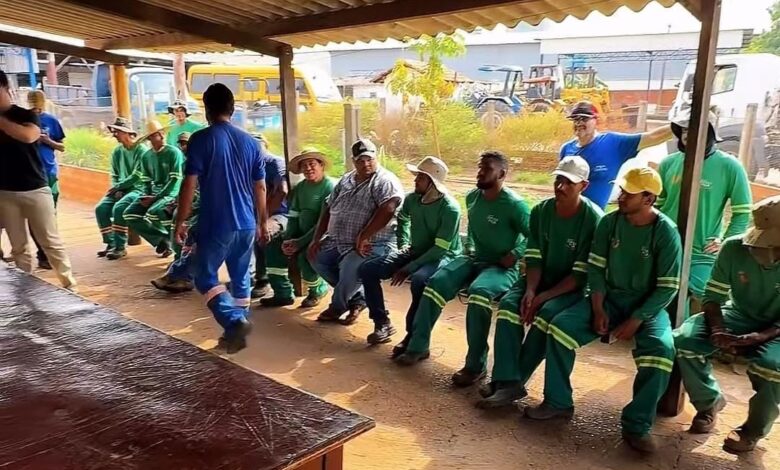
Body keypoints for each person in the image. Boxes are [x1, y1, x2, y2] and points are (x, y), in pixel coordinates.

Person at [524, 166, 681, 454]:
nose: (621, 197)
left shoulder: (665, 232)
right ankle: (558, 402)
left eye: (629, 193)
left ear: (648, 199)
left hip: (647, 305)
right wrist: (597, 308)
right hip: (608, 298)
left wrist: (636, 319)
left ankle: (637, 425)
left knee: (661, 350)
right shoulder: (610, 223)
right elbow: (595, 270)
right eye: (622, 190)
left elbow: (667, 287)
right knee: (560, 328)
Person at [396, 151, 531, 389]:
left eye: (486, 169)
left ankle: (475, 366)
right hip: (474, 258)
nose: (480, 173)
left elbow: (534, 237)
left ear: (502, 174)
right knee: (435, 283)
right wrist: (469, 249)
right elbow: (475, 232)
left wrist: (516, 253)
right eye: (479, 167)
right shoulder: (472, 197)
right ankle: (418, 345)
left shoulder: (515, 205)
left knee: (479, 293)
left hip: (501, 266)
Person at [477, 156, 603, 409]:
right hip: (538, 279)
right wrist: (531, 291)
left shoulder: (593, 219)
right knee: (509, 307)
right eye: (558, 180)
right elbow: (534, 258)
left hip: (571, 288)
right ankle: (505, 379)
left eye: (569, 182)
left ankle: (514, 381)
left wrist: (542, 298)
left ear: (584, 186)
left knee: (545, 316)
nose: (561, 187)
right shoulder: (541, 211)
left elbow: (580, 275)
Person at [674, 196, 780, 454]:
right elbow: (713, 296)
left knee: (772, 366)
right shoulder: (734, 248)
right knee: (685, 340)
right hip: (739, 314)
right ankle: (708, 403)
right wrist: (718, 329)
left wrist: (759, 337)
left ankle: (751, 431)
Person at [174, 83, 268, 354]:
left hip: (217, 222)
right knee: (240, 277)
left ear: (206, 109)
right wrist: (262, 222)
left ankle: (234, 321)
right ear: (232, 109)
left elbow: (189, 184)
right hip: (246, 223)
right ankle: (235, 331)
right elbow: (260, 187)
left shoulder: (201, 139)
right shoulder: (251, 143)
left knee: (204, 276)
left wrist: (180, 220)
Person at [359, 156, 462, 348]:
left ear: (432, 183)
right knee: (368, 269)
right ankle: (382, 323)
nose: (415, 180)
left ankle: (412, 336)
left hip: (441, 256)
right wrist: (403, 244)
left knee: (420, 280)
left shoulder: (450, 209)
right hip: (416, 250)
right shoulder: (413, 199)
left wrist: (409, 267)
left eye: (420, 177)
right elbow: (403, 218)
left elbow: (440, 248)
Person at [657, 110, 752, 314]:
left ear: (710, 134)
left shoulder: (730, 166)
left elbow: (742, 212)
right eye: (683, 130)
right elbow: (657, 206)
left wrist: (726, 242)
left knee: (708, 299)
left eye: (693, 130)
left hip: (701, 252)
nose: (686, 135)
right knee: (664, 295)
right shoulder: (668, 164)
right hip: (666, 246)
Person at [308, 139, 404, 325]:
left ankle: (337, 306)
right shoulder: (347, 179)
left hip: (373, 243)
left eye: (369, 159)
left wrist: (363, 236)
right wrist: (316, 238)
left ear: (376, 158)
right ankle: (357, 299)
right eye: (361, 160)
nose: (366, 164)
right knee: (316, 256)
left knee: (350, 267)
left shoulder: (384, 180)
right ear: (354, 161)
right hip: (339, 241)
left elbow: (389, 208)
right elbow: (328, 207)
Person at [0, 70, 76, 289]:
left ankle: (70, 285)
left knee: (50, 242)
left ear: (6, 89)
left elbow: (28, 136)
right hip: (5, 192)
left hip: (35, 189)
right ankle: (26, 290)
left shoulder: (26, 115)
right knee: (19, 248)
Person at [560, 101, 674, 208]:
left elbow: (653, 137)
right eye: (575, 119)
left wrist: (680, 126)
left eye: (584, 119)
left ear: (596, 121)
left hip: (595, 218)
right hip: (566, 214)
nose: (579, 123)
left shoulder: (613, 143)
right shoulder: (566, 149)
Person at [261, 147, 334, 308]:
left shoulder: (330, 187)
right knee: (273, 246)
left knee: (304, 256)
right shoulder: (301, 188)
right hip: (300, 234)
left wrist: (300, 242)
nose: (308, 168)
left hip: (322, 236)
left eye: (312, 164)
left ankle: (317, 290)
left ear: (321, 165)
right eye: (304, 165)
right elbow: (293, 216)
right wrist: (288, 239)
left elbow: (324, 223)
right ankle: (283, 293)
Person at [122, 120, 184, 259]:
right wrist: (146, 195)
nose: (161, 136)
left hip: (170, 193)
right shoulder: (146, 156)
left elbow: (175, 181)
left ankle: (176, 249)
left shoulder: (173, 152)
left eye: (161, 133)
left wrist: (155, 198)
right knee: (129, 214)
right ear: (149, 138)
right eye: (156, 135)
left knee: (154, 212)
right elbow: (146, 181)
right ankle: (162, 239)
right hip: (153, 194)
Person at [151, 131, 199, 293]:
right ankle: (179, 271)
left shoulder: (206, 164)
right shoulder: (188, 163)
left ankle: (181, 275)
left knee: (198, 236)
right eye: (182, 144)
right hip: (200, 205)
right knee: (186, 227)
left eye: (186, 143)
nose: (184, 147)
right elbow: (186, 189)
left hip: (214, 211)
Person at [95, 117, 148, 259]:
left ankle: (120, 247)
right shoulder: (117, 151)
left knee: (118, 208)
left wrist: (120, 187)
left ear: (126, 133)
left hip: (138, 189)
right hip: (119, 189)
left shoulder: (141, 150)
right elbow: (114, 174)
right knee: (101, 209)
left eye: (117, 132)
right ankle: (110, 243)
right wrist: (117, 188)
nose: (114, 135)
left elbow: (137, 175)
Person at [27, 90, 65, 270]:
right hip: (30, 174)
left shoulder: (51, 120)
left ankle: (49, 253)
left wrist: (48, 141)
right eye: (32, 102)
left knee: (50, 215)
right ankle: (42, 254)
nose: (36, 106)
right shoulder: (23, 121)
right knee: (35, 216)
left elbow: (62, 146)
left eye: (38, 102)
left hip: (49, 173)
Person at [251, 133, 289, 299]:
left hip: (280, 214)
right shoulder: (249, 166)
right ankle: (247, 276)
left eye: (258, 145)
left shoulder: (274, 162)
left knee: (261, 232)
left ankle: (264, 279)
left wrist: (264, 218)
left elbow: (282, 191)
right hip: (258, 214)